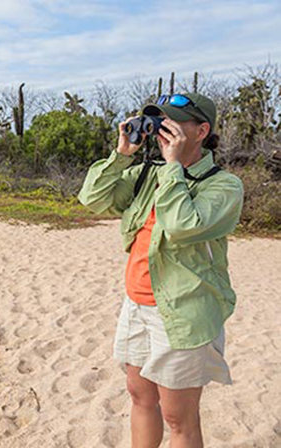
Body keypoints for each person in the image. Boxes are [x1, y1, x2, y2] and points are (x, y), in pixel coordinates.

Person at [77, 92, 244, 448]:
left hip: (183, 314)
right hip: (136, 304)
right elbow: (92, 198)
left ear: (201, 131)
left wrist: (172, 169)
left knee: (178, 418)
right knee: (140, 397)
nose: (161, 129)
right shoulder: (146, 174)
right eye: (158, 121)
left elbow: (183, 225)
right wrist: (122, 155)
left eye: (172, 122)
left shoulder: (224, 185)